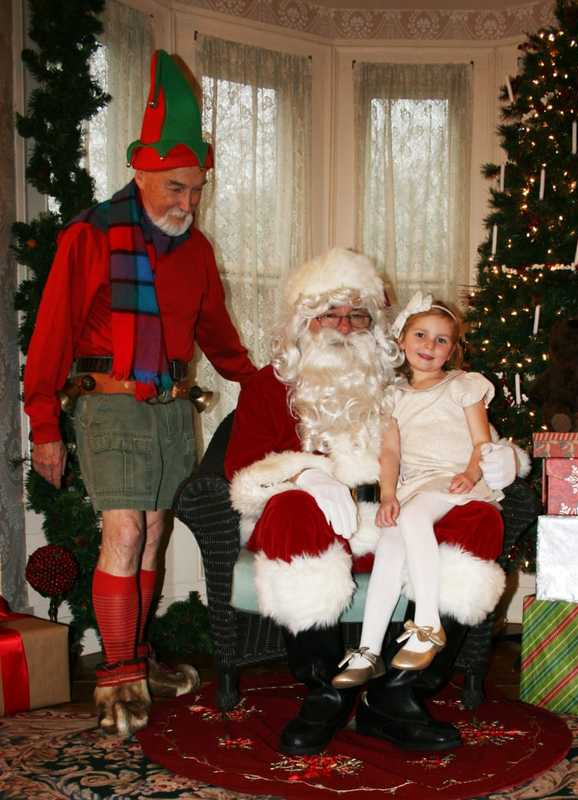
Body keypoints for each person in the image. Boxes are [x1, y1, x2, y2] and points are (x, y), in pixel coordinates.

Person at [24, 50, 256, 737]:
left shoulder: (199, 251)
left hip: (172, 408)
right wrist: (43, 422)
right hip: (110, 404)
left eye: (196, 189)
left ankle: (134, 655)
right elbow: (52, 336)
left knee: (153, 533)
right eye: (175, 187)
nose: (187, 202)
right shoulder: (90, 237)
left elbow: (218, 335)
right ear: (142, 172)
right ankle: (118, 682)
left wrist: (264, 382)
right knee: (123, 532)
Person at [225, 248, 520, 755]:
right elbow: (242, 472)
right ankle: (325, 691)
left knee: (475, 517)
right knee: (291, 509)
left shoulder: (401, 380)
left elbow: (462, 435)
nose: (344, 326)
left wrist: (505, 458)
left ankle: (396, 696)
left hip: (397, 515)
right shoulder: (268, 387)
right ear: (302, 322)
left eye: (357, 315)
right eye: (329, 314)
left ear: (377, 325)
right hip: (317, 524)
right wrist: (304, 473)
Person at [332, 291, 502, 688]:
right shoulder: (393, 397)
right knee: (391, 543)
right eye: (421, 335)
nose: (430, 346)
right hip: (412, 486)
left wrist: (473, 471)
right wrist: (388, 495)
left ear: (452, 350)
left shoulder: (464, 385)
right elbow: (389, 452)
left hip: (454, 479)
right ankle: (370, 649)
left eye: (441, 340)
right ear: (401, 342)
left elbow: (483, 441)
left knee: (415, 515)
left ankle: (427, 623)